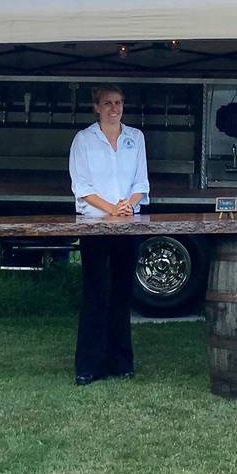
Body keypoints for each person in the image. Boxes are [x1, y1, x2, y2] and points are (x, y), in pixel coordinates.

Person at [68, 85, 149, 386]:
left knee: (121, 294)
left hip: (128, 226)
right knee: (95, 294)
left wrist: (129, 204)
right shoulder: (84, 140)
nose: (114, 108)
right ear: (96, 108)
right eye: (107, 103)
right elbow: (83, 187)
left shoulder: (135, 138)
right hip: (95, 226)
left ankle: (121, 363)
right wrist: (112, 208)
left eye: (118, 103)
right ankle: (88, 366)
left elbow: (141, 182)